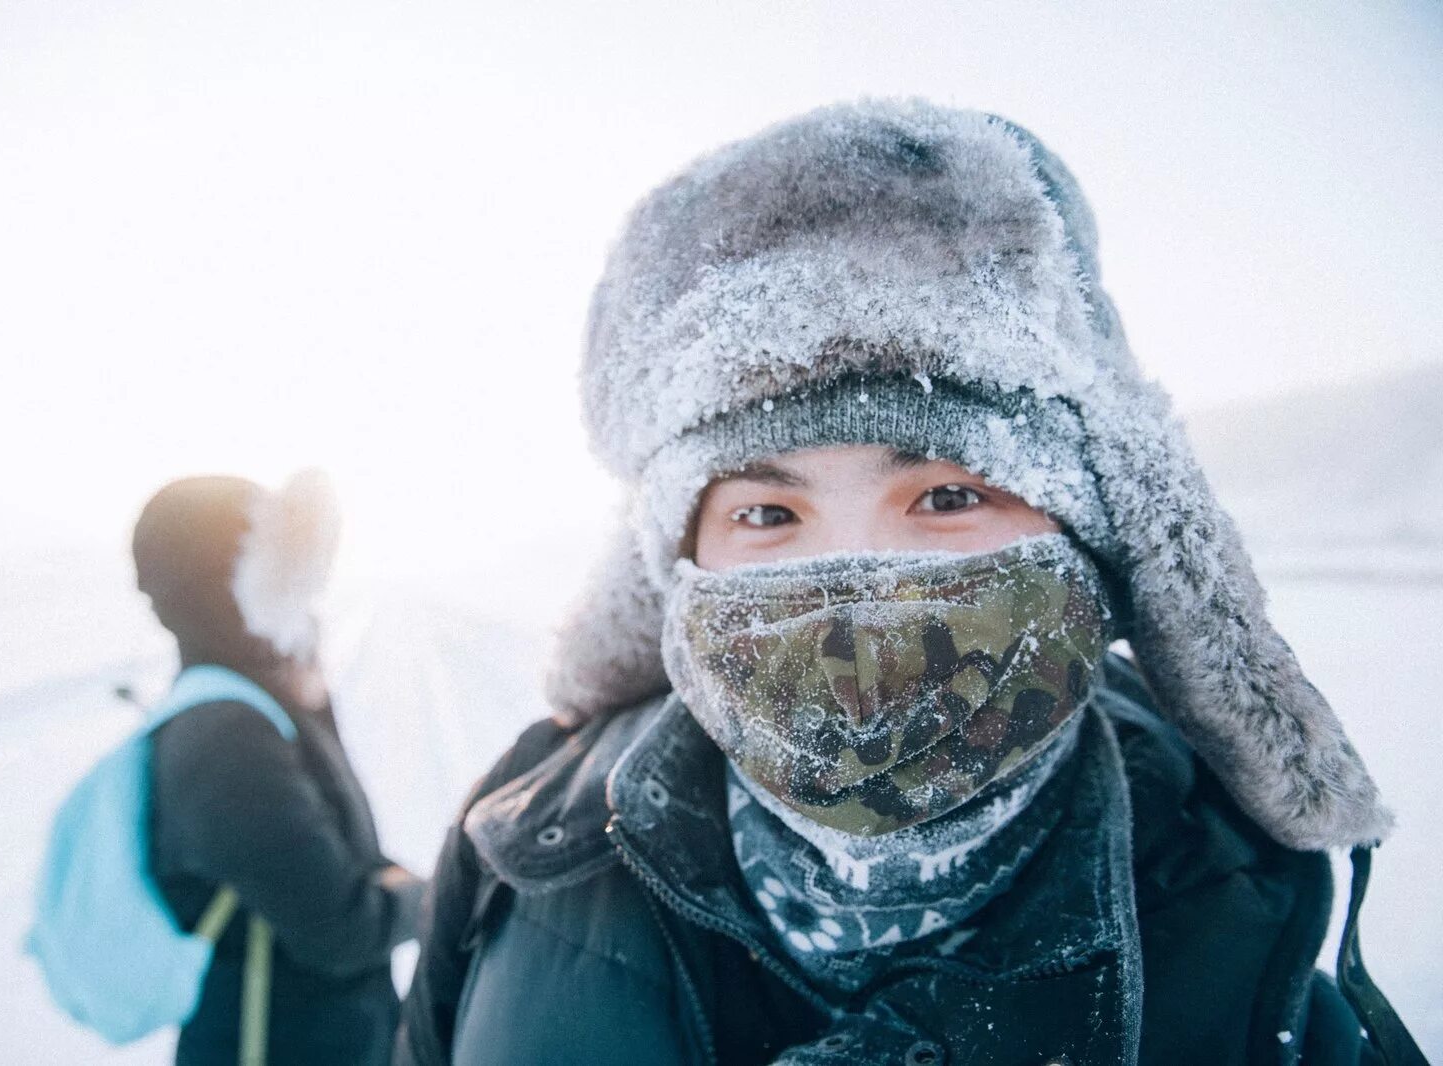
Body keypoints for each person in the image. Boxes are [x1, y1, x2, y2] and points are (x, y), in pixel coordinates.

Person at [394, 101, 1422, 1065]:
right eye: (766, 513)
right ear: (676, 566)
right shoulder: (518, 850)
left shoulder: (1246, 955)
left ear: (1092, 534)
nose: (857, 588)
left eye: (943, 496)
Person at [133, 470, 425, 1066]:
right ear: (233, 582)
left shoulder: (254, 705)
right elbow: (342, 930)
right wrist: (432, 895)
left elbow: (348, 854)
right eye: (281, 565)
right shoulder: (226, 738)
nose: (303, 593)